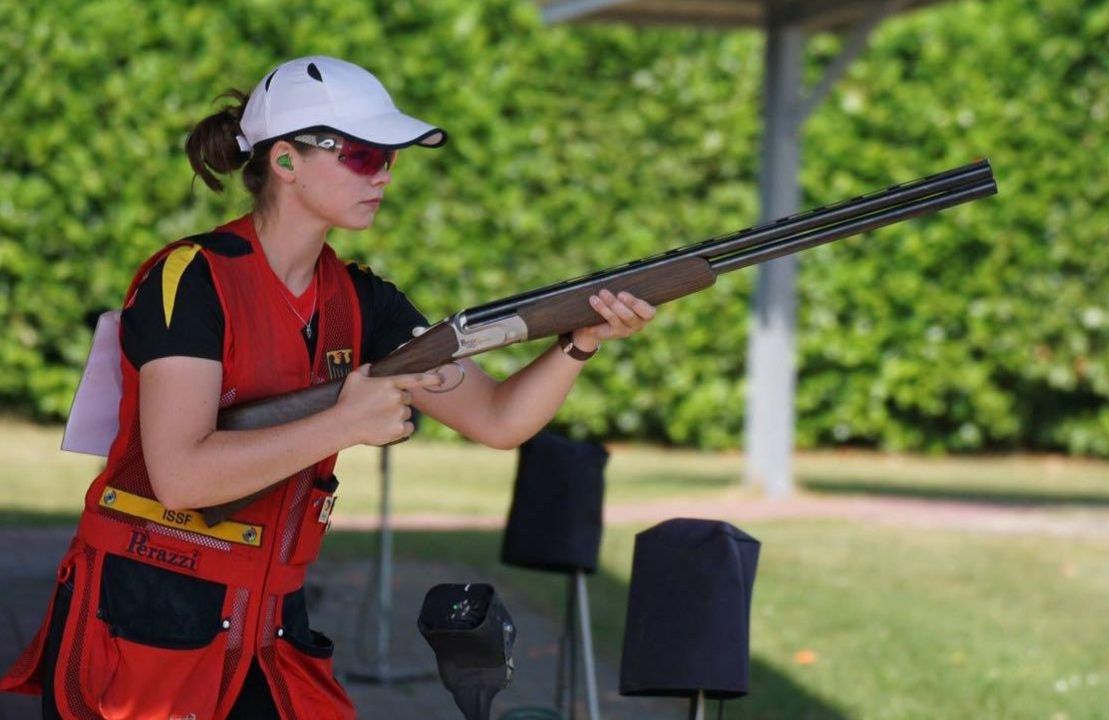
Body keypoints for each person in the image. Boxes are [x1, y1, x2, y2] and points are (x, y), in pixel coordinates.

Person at [0, 55, 655, 720]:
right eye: (365, 155)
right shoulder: (191, 281)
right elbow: (181, 478)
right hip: (145, 622)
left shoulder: (363, 301)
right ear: (285, 161)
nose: (386, 174)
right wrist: (344, 422)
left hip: (270, 626)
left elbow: (498, 420)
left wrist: (579, 341)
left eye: (390, 158)